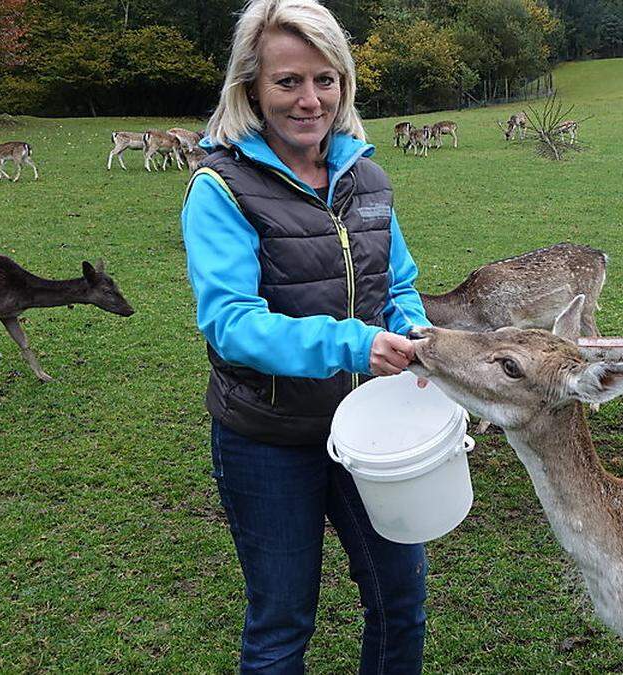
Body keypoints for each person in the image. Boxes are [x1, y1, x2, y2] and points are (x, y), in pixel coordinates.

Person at [180, 1, 431, 672]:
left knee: (401, 601)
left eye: (325, 79)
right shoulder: (220, 187)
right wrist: (355, 344)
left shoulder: (367, 179)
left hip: (371, 433)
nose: (309, 98)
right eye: (288, 81)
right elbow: (231, 324)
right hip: (267, 438)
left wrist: (417, 332)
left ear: (344, 83)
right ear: (251, 89)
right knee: (282, 621)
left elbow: (397, 287)